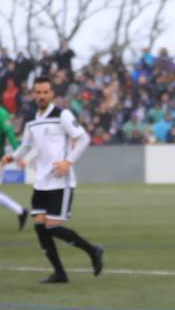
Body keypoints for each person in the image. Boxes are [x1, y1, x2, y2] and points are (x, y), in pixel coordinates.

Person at [0, 77, 102, 283]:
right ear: (33, 94)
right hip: (41, 182)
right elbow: (26, 146)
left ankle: (93, 250)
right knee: (39, 226)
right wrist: (13, 156)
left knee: (53, 227)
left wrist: (68, 161)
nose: (41, 96)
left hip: (61, 181)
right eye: (38, 92)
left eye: (45, 92)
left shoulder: (62, 115)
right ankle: (60, 273)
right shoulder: (32, 121)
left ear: (52, 93)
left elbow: (84, 139)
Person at [0, 103, 28, 229]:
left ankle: (21, 211)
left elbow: (10, 133)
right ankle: (20, 211)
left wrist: (18, 155)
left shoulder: (1, 113)